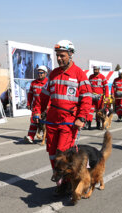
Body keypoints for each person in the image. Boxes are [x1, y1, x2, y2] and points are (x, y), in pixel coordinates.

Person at [33, 40, 92, 195]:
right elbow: (42, 97)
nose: (59, 59)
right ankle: (60, 181)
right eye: (57, 56)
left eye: (62, 56)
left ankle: (67, 183)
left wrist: (82, 117)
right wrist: (37, 112)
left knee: (62, 154)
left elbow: (86, 98)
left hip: (69, 123)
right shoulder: (53, 74)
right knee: (52, 154)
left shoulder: (79, 74)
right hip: (52, 121)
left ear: (71, 55)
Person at [24, 65, 49, 143]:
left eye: (41, 73)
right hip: (36, 106)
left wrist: (49, 106)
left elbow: (52, 95)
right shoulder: (33, 83)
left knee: (47, 124)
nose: (39, 74)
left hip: (46, 107)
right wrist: (28, 103)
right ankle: (30, 137)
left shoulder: (48, 83)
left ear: (45, 73)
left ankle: (48, 137)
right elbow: (30, 94)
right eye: (38, 72)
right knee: (34, 121)